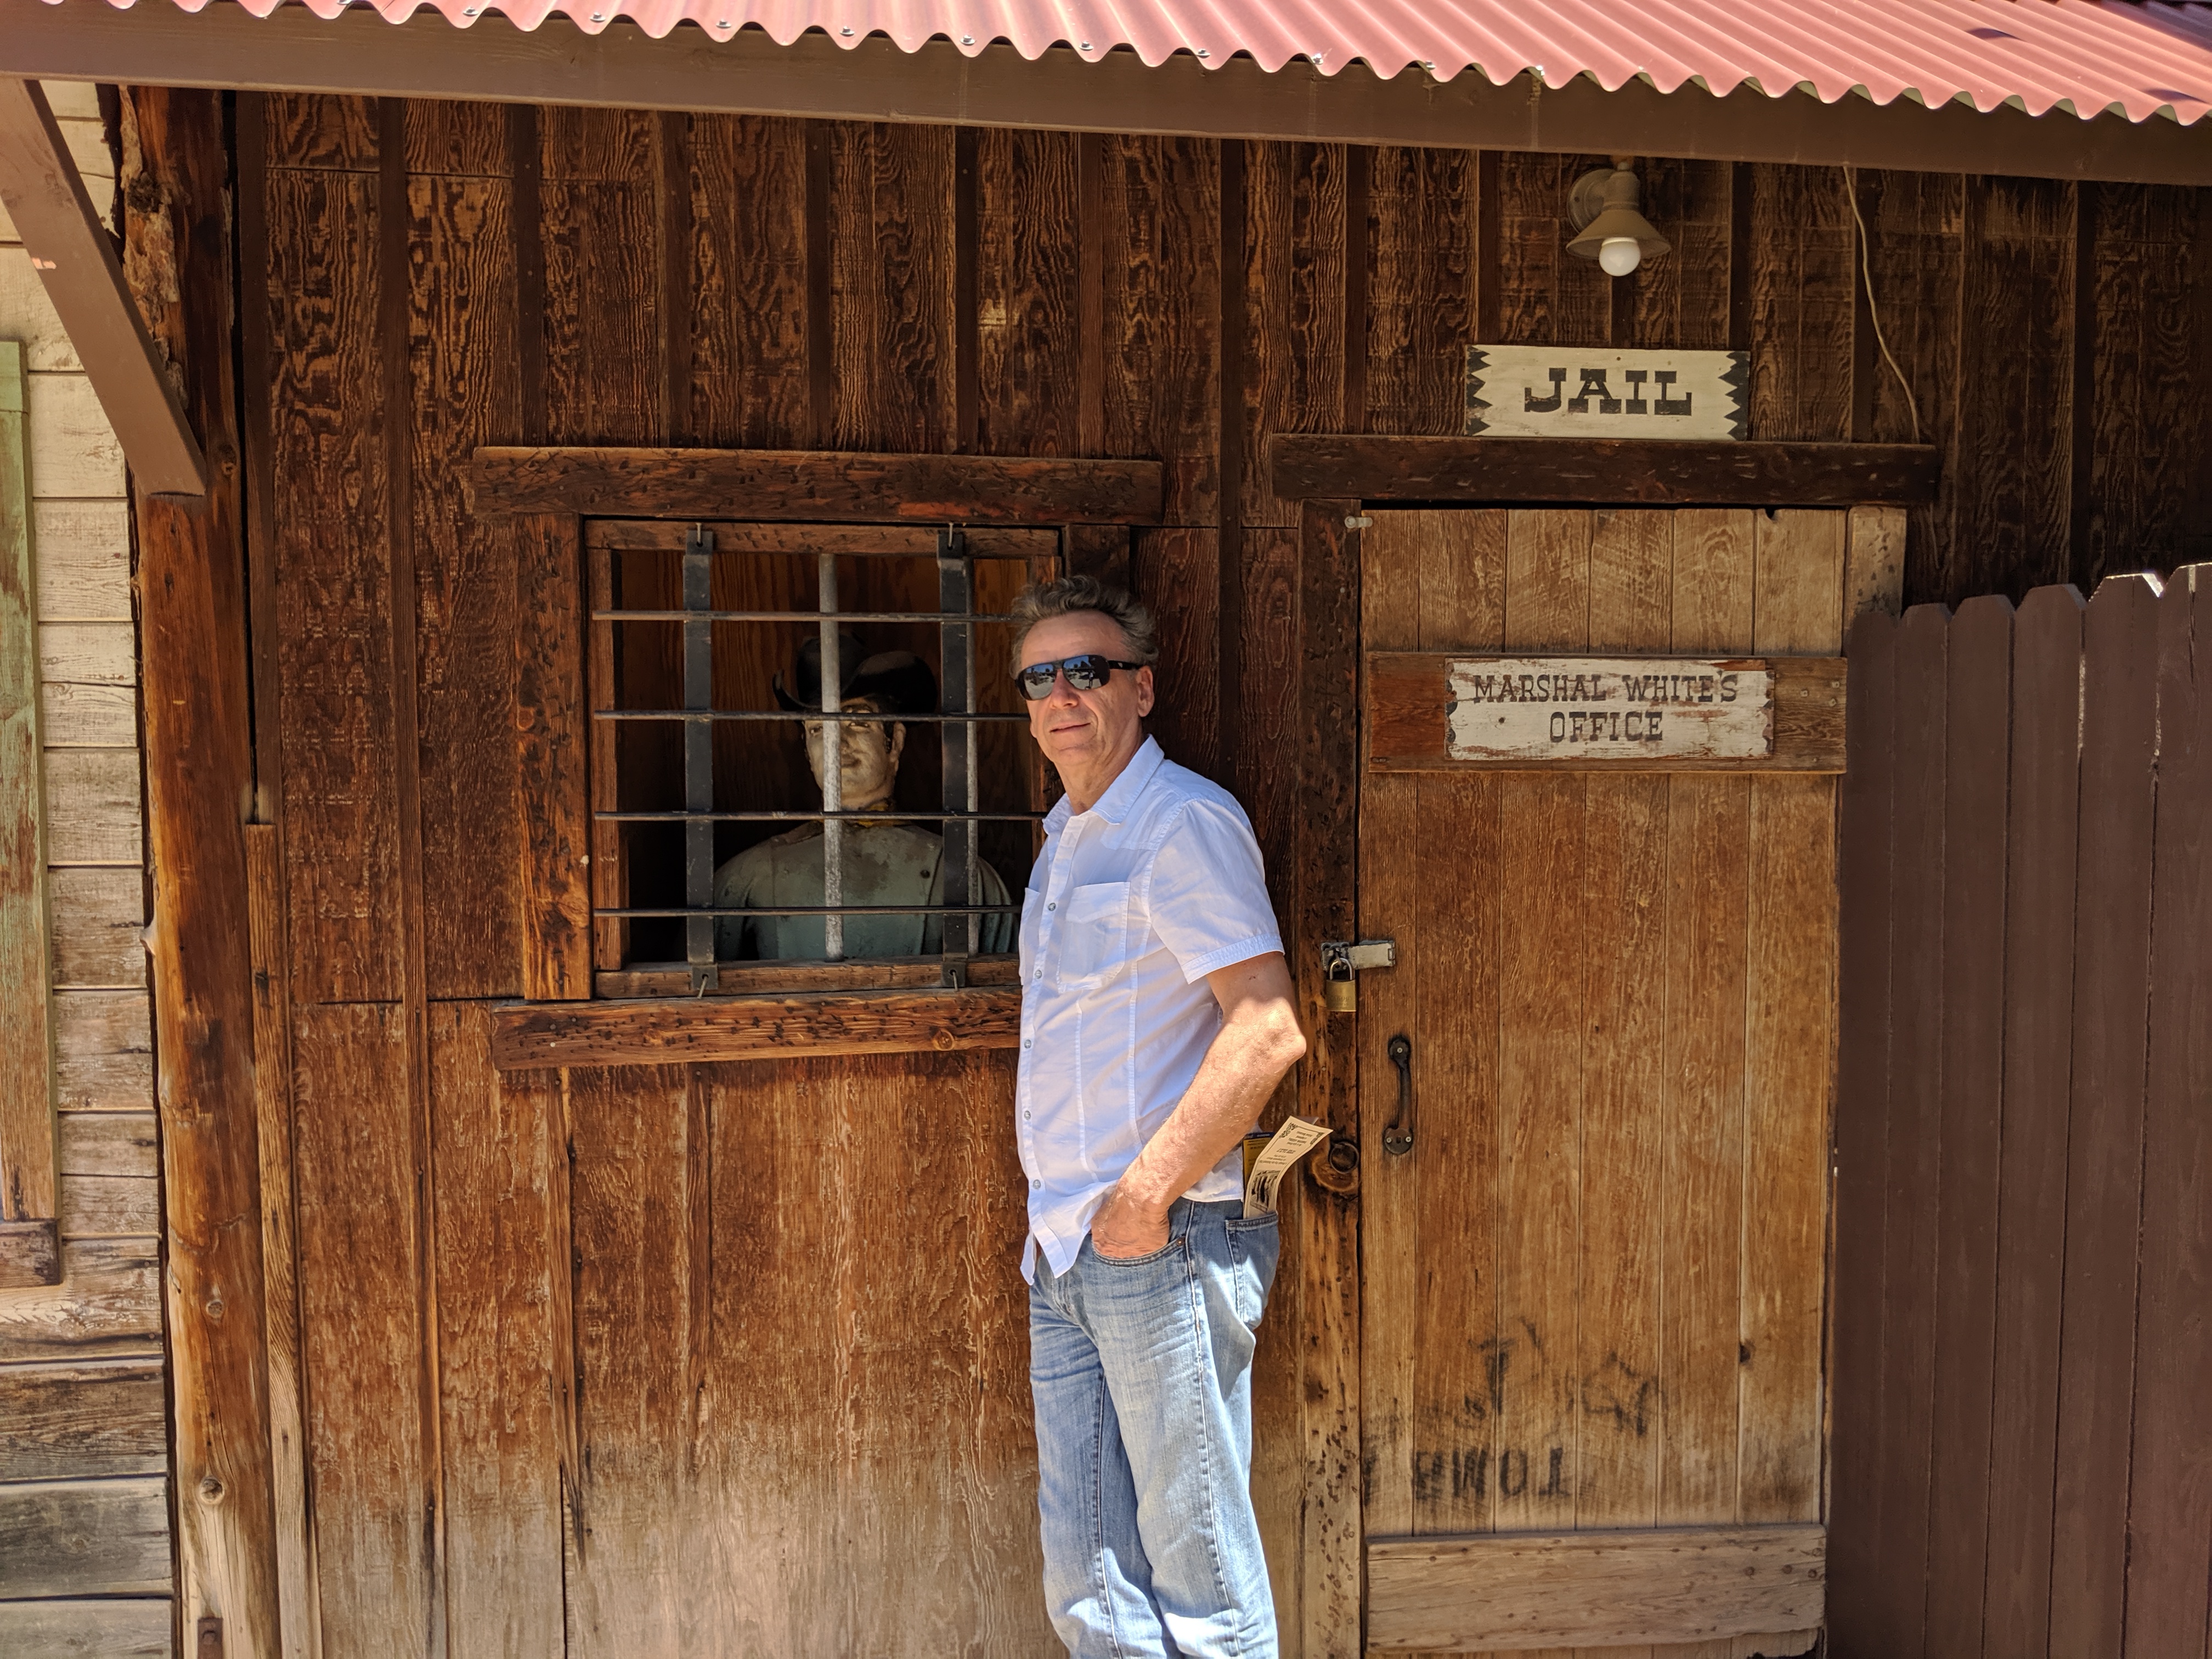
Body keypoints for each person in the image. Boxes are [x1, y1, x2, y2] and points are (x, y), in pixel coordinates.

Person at [1011, 575, 1307, 1658]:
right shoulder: (1066, 837)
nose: (1060, 694)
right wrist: (1090, 1224)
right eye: (1037, 678)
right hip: (1066, 1244)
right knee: (1090, 1581)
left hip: (1161, 1237)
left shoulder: (1181, 821)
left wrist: (1142, 1200)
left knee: (1198, 1573)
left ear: (1140, 688)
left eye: (1085, 670)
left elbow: (1266, 1029)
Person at [713, 635, 1013, 961]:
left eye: (857, 722)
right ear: (807, 751)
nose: (837, 742)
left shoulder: (962, 876)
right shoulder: (749, 877)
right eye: (818, 729)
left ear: (895, 741)